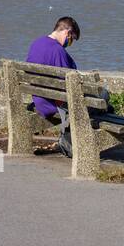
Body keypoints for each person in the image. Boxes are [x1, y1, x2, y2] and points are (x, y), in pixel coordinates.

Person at [25, 16, 81, 158]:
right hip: (53, 104)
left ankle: (69, 140)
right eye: (72, 39)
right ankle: (69, 142)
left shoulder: (36, 43)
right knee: (102, 100)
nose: (70, 43)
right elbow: (68, 86)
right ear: (67, 33)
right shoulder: (58, 51)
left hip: (39, 99)